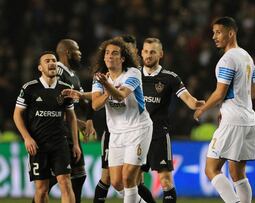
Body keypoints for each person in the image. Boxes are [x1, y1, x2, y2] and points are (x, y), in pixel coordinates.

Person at [194, 16, 255, 203]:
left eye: (218, 32)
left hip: (233, 120)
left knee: (211, 168)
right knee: (237, 172)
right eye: (213, 32)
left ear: (231, 33)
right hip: (248, 119)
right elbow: (254, 92)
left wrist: (202, 109)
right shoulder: (247, 57)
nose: (214, 36)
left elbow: (220, 93)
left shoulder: (227, 59)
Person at [140, 37, 204, 203]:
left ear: (160, 54)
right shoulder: (133, 76)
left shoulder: (170, 78)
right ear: (141, 53)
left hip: (158, 134)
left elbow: (189, 100)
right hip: (136, 135)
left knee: (165, 181)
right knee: (133, 182)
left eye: (152, 52)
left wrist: (199, 105)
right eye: (146, 51)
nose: (148, 55)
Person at [13, 51, 81, 203]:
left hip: (60, 143)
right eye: (47, 61)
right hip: (38, 145)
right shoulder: (29, 88)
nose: (52, 63)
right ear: (40, 67)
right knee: (42, 188)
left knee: (65, 182)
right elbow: (17, 115)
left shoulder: (65, 88)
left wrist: (75, 144)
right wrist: (27, 138)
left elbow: (71, 117)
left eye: (54, 60)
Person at [92, 37, 152, 203]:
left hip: (138, 129)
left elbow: (120, 95)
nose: (110, 56)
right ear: (104, 57)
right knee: (117, 182)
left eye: (115, 53)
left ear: (122, 58)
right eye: (107, 53)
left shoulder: (133, 73)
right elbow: (96, 104)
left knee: (128, 178)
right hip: (116, 133)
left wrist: (107, 86)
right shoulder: (99, 77)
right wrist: (105, 87)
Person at [45, 39, 94, 203]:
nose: (80, 53)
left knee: (78, 177)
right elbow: (53, 102)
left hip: (70, 133)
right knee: (51, 181)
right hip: (58, 134)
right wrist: (78, 122)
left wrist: (87, 121)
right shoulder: (57, 70)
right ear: (67, 52)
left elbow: (83, 101)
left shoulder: (73, 75)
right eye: (76, 50)